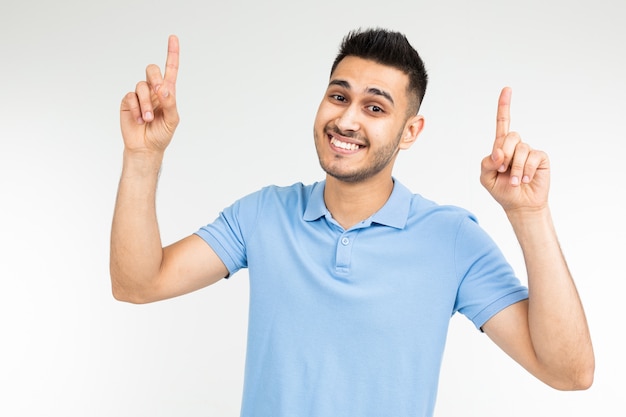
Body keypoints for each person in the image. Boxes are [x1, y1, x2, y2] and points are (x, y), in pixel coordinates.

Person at [110, 28, 594, 417]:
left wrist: (528, 214)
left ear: (410, 132)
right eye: (338, 97)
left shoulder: (452, 240)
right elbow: (137, 283)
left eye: (375, 107)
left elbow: (570, 373)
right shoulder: (263, 215)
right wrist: (143, 155)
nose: (346, 120)